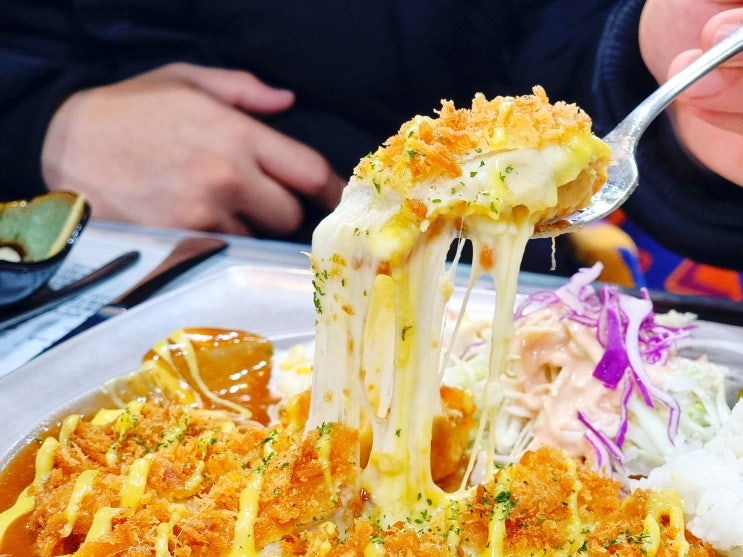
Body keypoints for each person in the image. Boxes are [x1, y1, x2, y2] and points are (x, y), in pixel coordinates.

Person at [1, 0, 742, 297]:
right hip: (53, 266)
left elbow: (564, 31)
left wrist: (649, 65)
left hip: (488, 278)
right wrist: (37, 123)